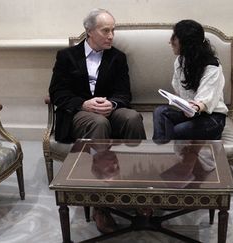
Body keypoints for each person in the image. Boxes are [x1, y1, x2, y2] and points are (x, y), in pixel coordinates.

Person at [48, 8, 146, 234]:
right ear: (89, 31)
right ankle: (100, 204)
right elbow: (57, 92)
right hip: (79, 113)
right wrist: (83, 104)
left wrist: (113, 104)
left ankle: (138, 191)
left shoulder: (118, 57)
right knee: (98, 124)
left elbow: (124, 94)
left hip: (109, 108)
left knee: (131, 118)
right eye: (106, 30)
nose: (111, 35)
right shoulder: (66, 57)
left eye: (113, 30)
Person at [152, 19, 228, 141]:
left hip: (212, 118)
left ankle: (173, 157)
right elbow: (179, 90)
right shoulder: (180, 61)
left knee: (179, 130)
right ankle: (162, 154)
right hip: (190, 113)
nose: (170, 41)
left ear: (186, 43)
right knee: (160, 112)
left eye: (174, 38)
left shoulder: (212, 66)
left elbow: (204, 101)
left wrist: (196, 107)